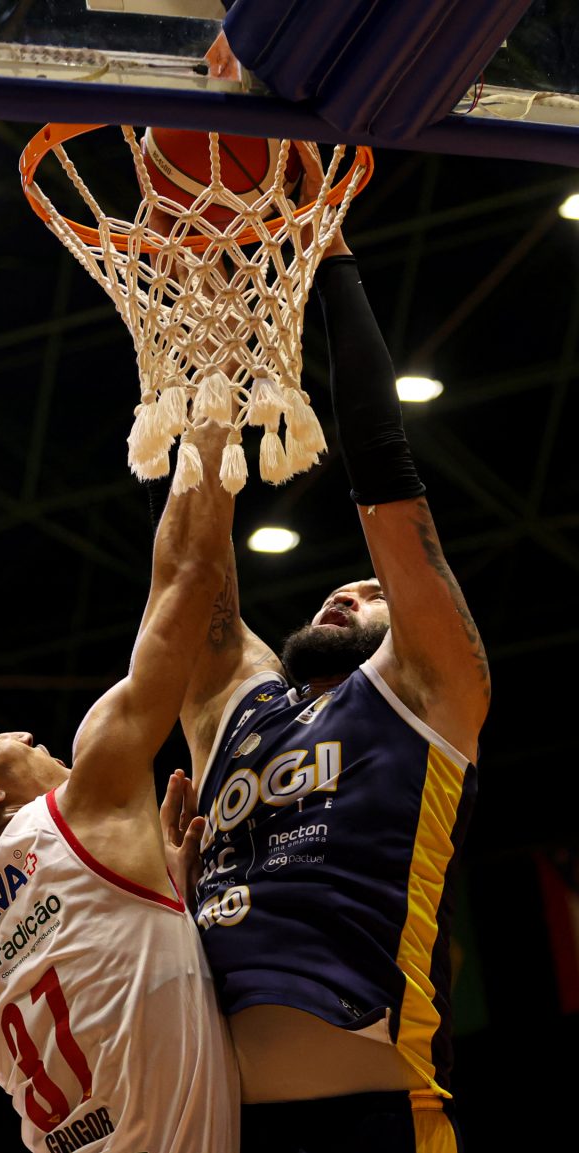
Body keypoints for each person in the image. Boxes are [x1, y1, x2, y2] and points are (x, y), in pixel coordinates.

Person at [169, 229, 491, 1153]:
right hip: (219, 1126)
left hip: (376, 1119)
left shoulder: (427, 693)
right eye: (340, 588)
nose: (346, 590)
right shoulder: (236, 710)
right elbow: (191, 561)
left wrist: (332, 260)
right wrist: (204, 323)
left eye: (373, 590)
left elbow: (384, 467)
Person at [0, 425, 240, 1153]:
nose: (26, 735)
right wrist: (211, 409)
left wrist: (161, 897)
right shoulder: (78, 816)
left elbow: (101, 1020)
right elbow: (191, 575)